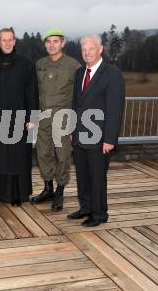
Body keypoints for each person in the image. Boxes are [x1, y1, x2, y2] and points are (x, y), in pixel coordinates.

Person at [68, 34, 125, 227]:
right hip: (80, 135)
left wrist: (110, 139)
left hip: (100, 138)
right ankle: (85, 208)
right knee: (82, 175)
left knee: (97, 177)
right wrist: (72, 130)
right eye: (84, 50)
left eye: (91, 49)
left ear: (100, 49)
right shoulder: (79, 73)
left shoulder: (112, 73)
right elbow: (75, 105)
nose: (87, 53)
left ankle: (99, 214)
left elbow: (115, 109)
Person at [0, 28, 39, 205]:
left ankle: (17, 195)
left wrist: (33, 117)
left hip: (20, 118)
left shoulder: (26, 63)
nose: (7, 43)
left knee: (18, 157)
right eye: (3, 40)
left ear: (14, 42)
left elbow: (32, 92)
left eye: (10, 40)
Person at [32, 29, 81, 212]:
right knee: (43, 153)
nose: (51, 45)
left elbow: (79, 95)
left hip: (63, 117)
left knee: (62, 155)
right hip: (43, 116)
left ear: (63, 43)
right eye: (48, 42)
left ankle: (60, 191)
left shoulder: (73, 65)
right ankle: (48, 188)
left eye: (55, 41)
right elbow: (34, 91)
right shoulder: (40, 65)